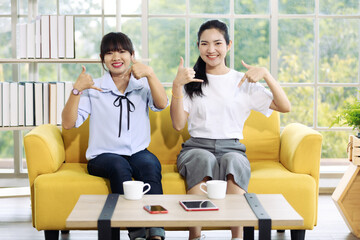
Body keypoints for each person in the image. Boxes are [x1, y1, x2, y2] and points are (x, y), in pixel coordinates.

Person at [170, 20, 291, 240]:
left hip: (232, 148)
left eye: (217, 43)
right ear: (198, 46)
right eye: (205, 44)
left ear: (228, 45)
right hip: (196, 147)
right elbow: (178, 124)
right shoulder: (191, 81)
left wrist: (266, 74)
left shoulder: (242, 81)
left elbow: (285, 107)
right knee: (202, 158)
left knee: (234, 162)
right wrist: (177, 86)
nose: (211, 49)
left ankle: (238, 237)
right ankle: (195, 236)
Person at [62, 32, 168, 240]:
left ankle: (156, 231)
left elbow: (162, 104)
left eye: (121, 51)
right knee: (119, 167)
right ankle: (136, 232)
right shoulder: (94, 88)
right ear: (103, 59)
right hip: (103, 156)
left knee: (149, 165)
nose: (116, 57)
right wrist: (76, 91)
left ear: (132, 55)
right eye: (109, 53)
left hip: (137, 152)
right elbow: (68, 123)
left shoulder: (142, 84)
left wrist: (151, 75)